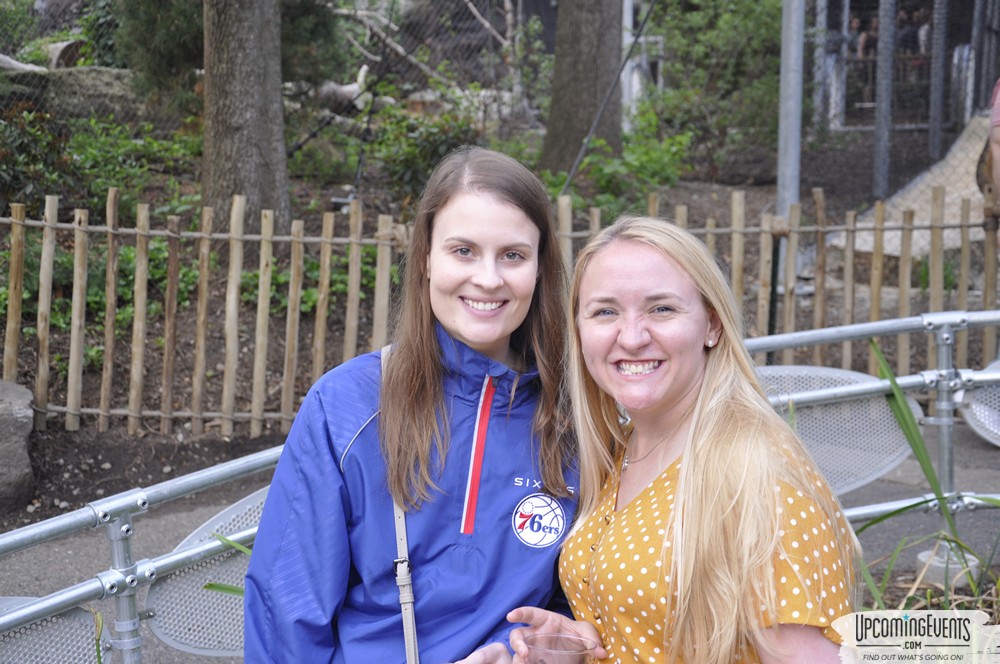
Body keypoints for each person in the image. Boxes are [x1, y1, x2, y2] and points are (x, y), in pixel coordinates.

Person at [244, 146, 579, 662]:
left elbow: (588, 593)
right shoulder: (347, 407)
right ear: (425, 257)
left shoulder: (574, 417)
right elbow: (287, 613)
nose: (489, 279)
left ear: (539, 267)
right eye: (463, 251)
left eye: (512, 255)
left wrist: (538, 647)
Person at [508, 216, 862, 663]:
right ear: (579, 330)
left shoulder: (755, 473)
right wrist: (579, 647)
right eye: (605, 311)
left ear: (712, 325)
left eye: (662, 309)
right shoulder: (622, 450)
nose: (632, 337)